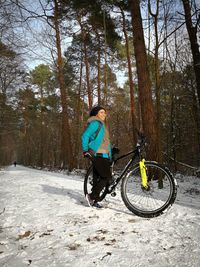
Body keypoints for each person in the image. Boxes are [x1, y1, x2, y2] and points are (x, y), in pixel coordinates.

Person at [81, 106, 113, 208]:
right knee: (106, 177)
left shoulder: (103, 125)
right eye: (101, 112)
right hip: (97, 154)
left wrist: (110, 155)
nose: (104, 114)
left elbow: (105, 142)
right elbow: (85, 135)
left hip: (104, 154)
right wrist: (85, 150)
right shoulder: (95, 123)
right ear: (96, 114)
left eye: (105, 112)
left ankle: (94, 201)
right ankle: (91, 196)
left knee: (97, 178)